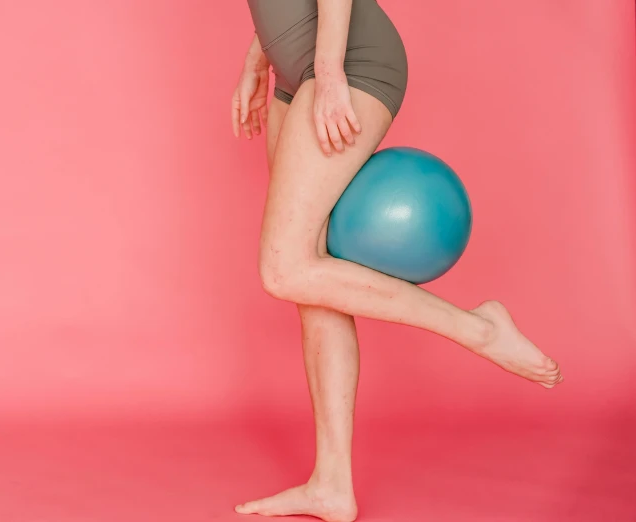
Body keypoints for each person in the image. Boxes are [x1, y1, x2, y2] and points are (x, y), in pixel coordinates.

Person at [230, 1, 563, 521]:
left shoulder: (337, 67)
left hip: (342, 61)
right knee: (310, 283)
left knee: (284, 268)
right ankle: (332, 485)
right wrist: (259, 56)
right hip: (296, 70)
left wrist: (332, 74)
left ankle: (479, 328)